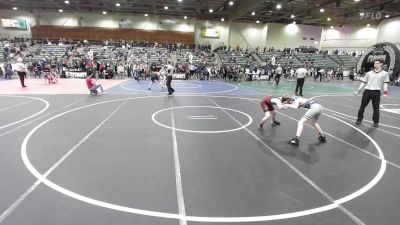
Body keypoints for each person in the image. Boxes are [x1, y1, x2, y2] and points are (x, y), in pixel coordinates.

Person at [354, 59, 389, 128]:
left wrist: (385, 93)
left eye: (377, 63)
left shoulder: (385, 73)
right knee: (362, 106)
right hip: (367, 91)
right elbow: (363, 83)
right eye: (374, 63)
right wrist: (358, 91)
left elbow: (385, 84)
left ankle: (376, 122)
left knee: (376, 108)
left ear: (381, 64)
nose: (375, 64)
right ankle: (359, 119)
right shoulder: (369, 73)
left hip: (376, 92)